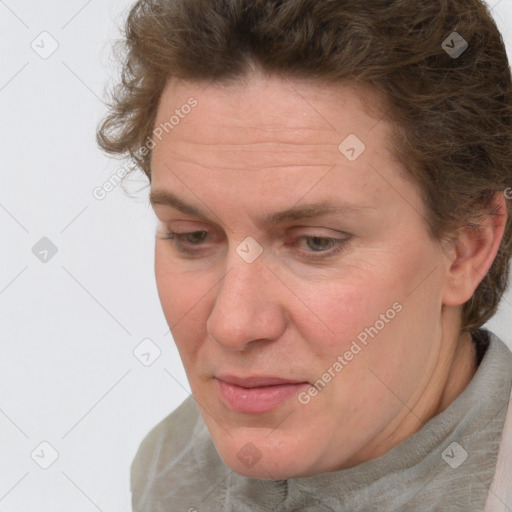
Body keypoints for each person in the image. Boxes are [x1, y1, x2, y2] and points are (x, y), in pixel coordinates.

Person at [97, 0, 512, 510]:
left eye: (316, 242)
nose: (233, 324)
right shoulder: (170, 470)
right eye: (193, 237)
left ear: (466, 249)